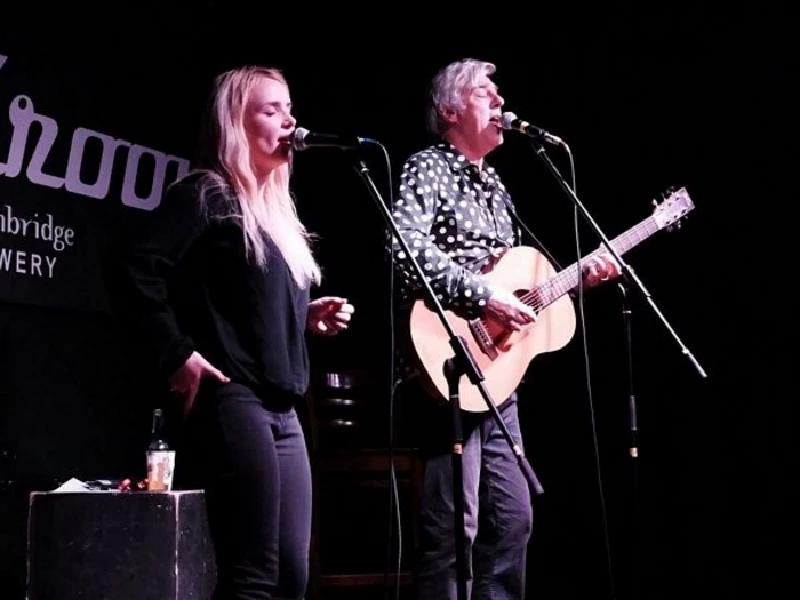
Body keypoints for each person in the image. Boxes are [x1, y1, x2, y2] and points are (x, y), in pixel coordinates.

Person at [106, 65, 354, 599]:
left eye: (289, 108)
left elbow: (244, 302)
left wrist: (304, 314)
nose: (289, 122)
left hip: (284, 409)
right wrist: (177, 353)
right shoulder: (207, 193)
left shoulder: (275, 214)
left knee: (293, 574)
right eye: (271, 111)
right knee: (254, 575)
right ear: (235, 124)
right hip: (233, 399)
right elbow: (132, 266)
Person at [390, 58, 621, 600]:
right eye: (483, 94)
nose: (498, 102)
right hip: (445, 366)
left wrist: (578, 280)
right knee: (454, 530)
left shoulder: (497, 186)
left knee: (514, 521)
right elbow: (404, 245)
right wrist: (483, 295)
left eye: (498, 94)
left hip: (499, 381)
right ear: (449, 110)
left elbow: (522, 282)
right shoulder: (428, 166)